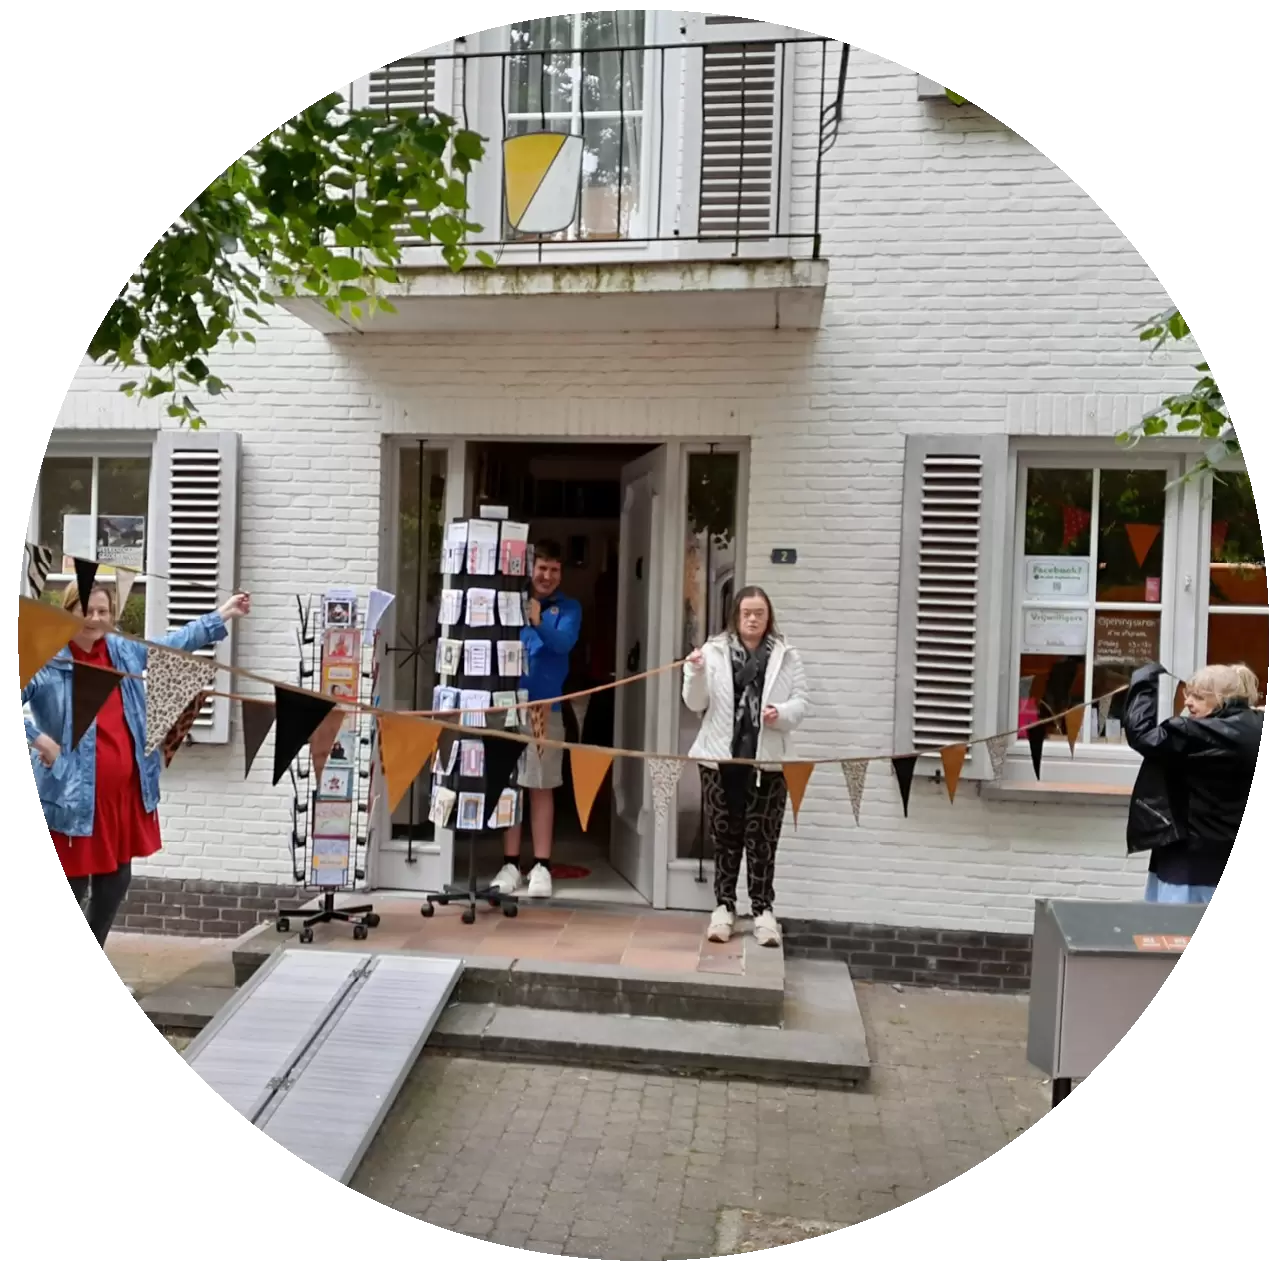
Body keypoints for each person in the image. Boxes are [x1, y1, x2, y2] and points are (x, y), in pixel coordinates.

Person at [23, 581, 251, 945]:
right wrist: (40, 739)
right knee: (71, 887)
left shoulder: (121, 650)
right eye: (86, 610)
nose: (94, 619)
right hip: (71, 797)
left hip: (123, 797)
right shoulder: (46, 659)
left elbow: (174, 644)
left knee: (115, 883)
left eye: (102, 611)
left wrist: (223, 614)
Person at [683, 586, 808, 947]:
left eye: (759, 613)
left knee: (763, 839)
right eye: (746, 613)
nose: (753, 619)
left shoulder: (786, 656)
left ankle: (763, 911)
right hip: (720, 760)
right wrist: (695, 672)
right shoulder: (713, 651)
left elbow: (801, 703)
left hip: (769, 763)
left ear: (769, 618)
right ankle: (724, 907)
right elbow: (695, 703)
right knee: (725, 838)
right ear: (735, 616)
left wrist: (780, 713)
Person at [1124, 662, 1262, 903]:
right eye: (1188, 694)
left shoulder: (1195, 732)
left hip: (1189, 855)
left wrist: (1143, 683)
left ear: (1222, 699)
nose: (1187, 702)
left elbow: (1141, 735)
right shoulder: (1258, 725)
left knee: (1175, 924)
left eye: (1198, 697)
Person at [490, 539, 582, 899]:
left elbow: (563, 644)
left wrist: (538, 620)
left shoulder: (569, 607)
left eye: (554, 570)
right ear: (530, 569)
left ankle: (542, 864)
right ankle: (510, 863)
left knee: (542, 786)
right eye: (542, 568)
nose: (547, 576)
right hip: (507, 705)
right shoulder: (510, 603)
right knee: (510, 785)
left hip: (546, 708)